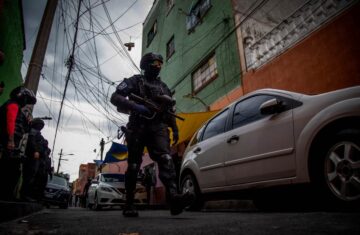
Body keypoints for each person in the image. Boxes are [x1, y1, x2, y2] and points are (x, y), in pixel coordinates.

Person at [110, 52, 193, 217]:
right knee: (134, 165)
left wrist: (175, 129)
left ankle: (174, 198)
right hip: (137, 126)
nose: (158, 66)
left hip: (158, 128)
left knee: (166, 158)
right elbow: (115, 97)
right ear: (145, 64)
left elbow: (169, 110)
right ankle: (129, 203)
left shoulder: (164, 87)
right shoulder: (135, 81)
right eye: (155, 62)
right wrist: (136, 107)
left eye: (160, 63)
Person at [0, 86, 36, 200]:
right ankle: (5, 194)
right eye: (26, 100)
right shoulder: (12, 105)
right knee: (10, 169)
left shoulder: (18, 110)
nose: (26, 103)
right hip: (7, 142)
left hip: (12, 143)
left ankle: (7, 194)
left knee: (13, 168)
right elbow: (10, 122)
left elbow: (23, 128)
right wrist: (10, 140)